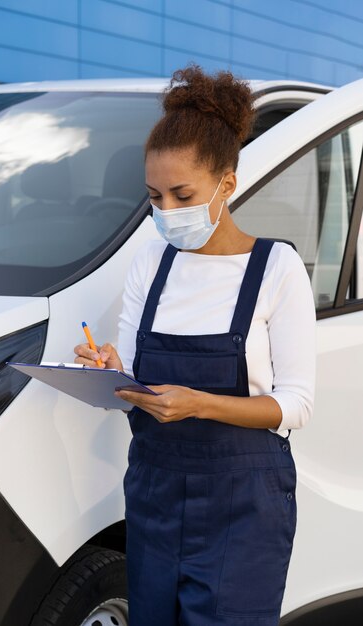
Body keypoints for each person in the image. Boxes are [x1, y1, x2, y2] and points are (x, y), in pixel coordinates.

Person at [74, 64, 316, 626]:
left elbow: (297, 404)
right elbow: (134, 375)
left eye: (183, 194)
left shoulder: (275, 269)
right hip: (156, 493)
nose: (167, 211)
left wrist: (198, 403)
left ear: (226, 184)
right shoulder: (150, 265)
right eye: (155, 196)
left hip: (244, 505)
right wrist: (112, 368)